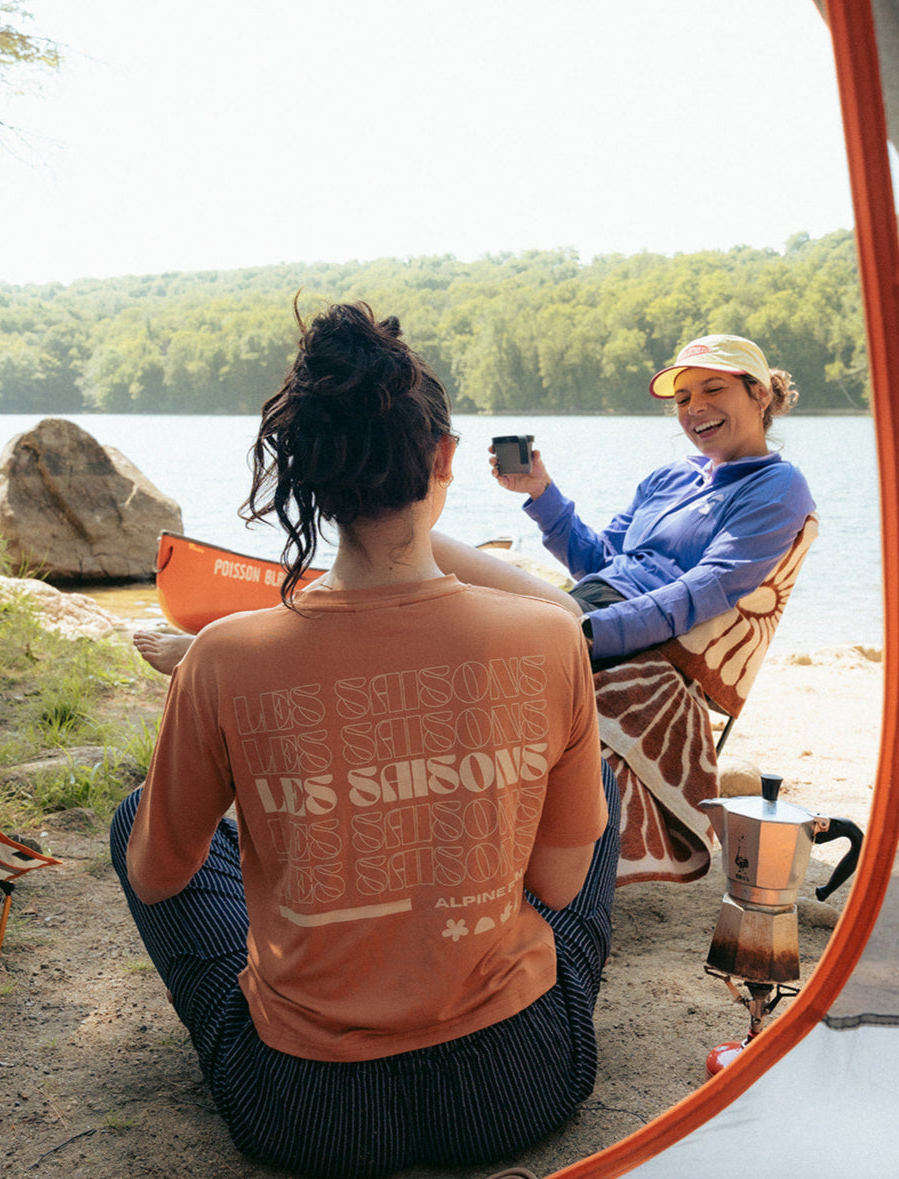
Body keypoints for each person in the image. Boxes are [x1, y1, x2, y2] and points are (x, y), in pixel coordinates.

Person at [112, 301, 619, 1179]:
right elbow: (558, 881)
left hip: (309, 1111)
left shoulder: (225, 656)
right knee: (589, 796)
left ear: (304, 478)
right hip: (520, 1080)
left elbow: (161, 875)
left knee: (136, 823)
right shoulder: (547, 640)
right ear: (444, 459)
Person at [428, 334, 815, 665]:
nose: (694, 407)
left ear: (760, 395)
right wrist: (541, 492)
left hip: (614, 626)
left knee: (421, 543)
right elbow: (597, 560)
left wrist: (591, 631)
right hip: (584, 602)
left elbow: (709, 587)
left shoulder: (776, 485)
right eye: (682, 399)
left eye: (713, 389)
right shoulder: (671, 476)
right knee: (425, 585)